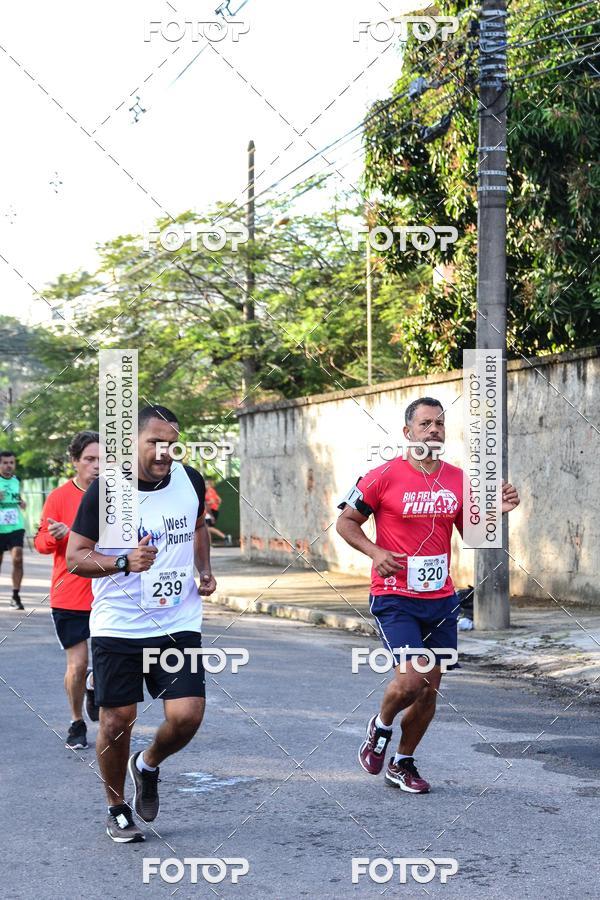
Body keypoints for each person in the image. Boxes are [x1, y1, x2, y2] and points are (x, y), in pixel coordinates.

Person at [336, 397, 520, 793]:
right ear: (408, 433)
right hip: (394, 595)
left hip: (440, 599)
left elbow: (470, 535)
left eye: (439, 424)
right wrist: (375, 552)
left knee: (429, 689)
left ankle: (402, 762)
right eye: (424, 424)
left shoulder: (457, 479)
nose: (433, 430)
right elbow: (345, 522)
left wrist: (496, 513)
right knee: (413, 677)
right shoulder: (381, 476)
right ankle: (380, 726)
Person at [66, 405, 216, 843]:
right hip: (119, 624)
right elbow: (77, 557)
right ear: (131, 444)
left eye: (171, 443)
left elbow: (197, 527)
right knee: (117, 721)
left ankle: (147, 764)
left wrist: (203, 569)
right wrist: (122, 562)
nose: (164, 452)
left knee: (187, 716)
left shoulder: (189, 480)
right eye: (155, 442)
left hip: (177, 618)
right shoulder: (106, 492)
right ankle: (116, 806)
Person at [34, 431, 100, 750]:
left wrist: (73, 532)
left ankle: (94, 685)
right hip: (69, 593)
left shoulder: (117, 497)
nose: (97, 466)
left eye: (103, 459)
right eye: (89, 459)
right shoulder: (59, 497)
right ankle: (77, 722)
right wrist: (56, 536)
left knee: (108, 662)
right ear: (74, 462)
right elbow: (41, 544)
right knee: (77, 663)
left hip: (108, 591)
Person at [0, 450, 27, 610]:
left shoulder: (17, 480)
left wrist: (21, 502)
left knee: (18, 559)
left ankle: (15, 596)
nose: (9, 466)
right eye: (5, 463)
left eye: (11, 463)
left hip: (16, 525)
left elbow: (16, 496)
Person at [204, 478, 231, 544]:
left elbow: (212, 501)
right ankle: (210, 544)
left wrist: (208, 504)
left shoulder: (210, 491)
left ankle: (225, 537)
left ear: (210, 485)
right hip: (211, 511)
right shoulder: (211, 491)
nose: (206, 485)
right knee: (207, 529)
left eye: (207, 484)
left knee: (207, 528)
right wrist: (216, 506)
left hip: (211, 512)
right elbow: (219, 500)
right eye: (205, 483)